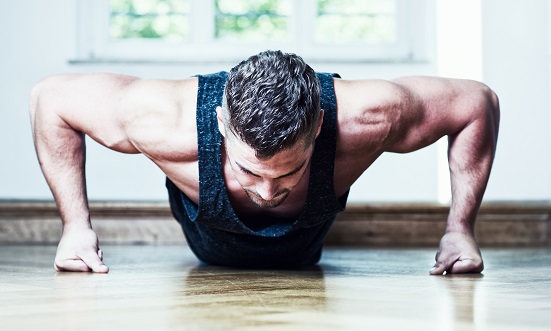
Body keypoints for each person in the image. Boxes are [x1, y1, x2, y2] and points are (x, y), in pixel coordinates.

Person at [29, 50, 500, 275]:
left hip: (308, 243)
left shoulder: (370, 114)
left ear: (318, 126)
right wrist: (75, 226)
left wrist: (461, 228)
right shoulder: (160, 119)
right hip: (207, 244)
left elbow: (477, 103)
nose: (269, 192)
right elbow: (50, 99)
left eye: (289, 172)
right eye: (249, 171)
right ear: (220, 124)